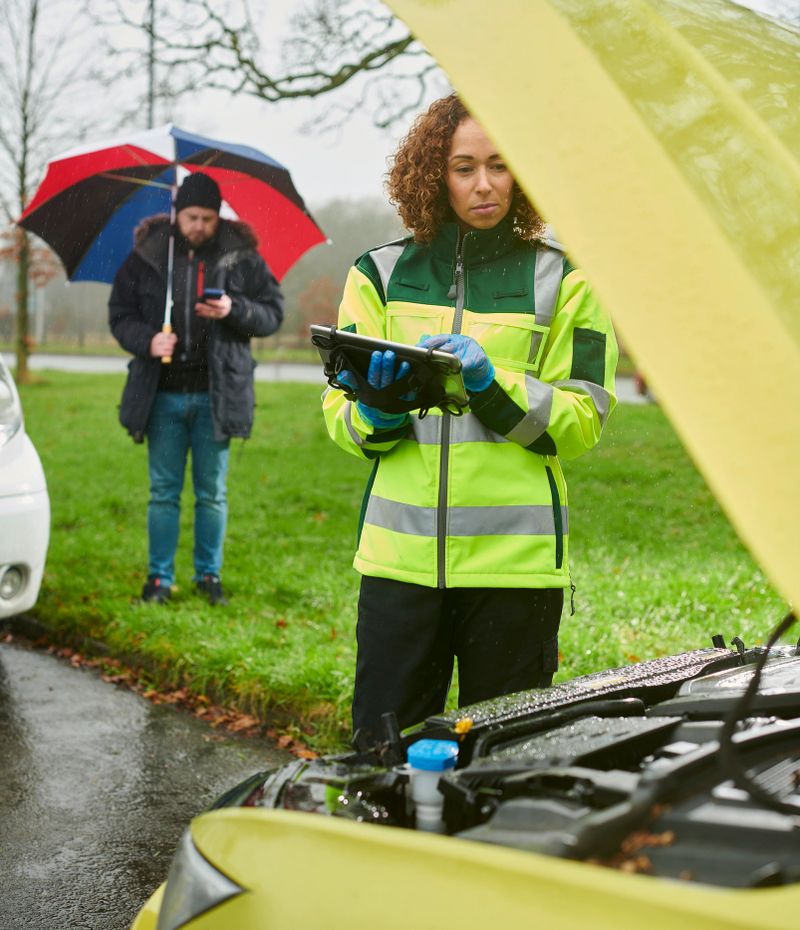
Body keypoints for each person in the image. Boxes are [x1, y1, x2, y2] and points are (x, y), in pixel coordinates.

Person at [322, 94, 619, 739]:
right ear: (433, 174)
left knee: (503, 766)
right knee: (384, 758)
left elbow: (583, 419)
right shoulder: (376, 274)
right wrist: (379, 410)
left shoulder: (567, 280)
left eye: (500, 164)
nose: (484, 184)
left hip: (516, 571)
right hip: (400, 570)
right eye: (463, 167)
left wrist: (491, 384)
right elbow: (342, 422)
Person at [109, 171, 284, 605]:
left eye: (207, 217)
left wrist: (234, 308)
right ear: (177, 213)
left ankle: (209, 577)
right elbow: (119, 314)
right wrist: (149, 340)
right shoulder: (149, 254)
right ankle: (159, 580)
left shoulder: (241, 256)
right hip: (161, 395)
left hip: (217, 395)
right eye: (191, 217)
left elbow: (273, 314)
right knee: (163, 493)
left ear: (218, 215)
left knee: (212, 494)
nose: (199, 226)